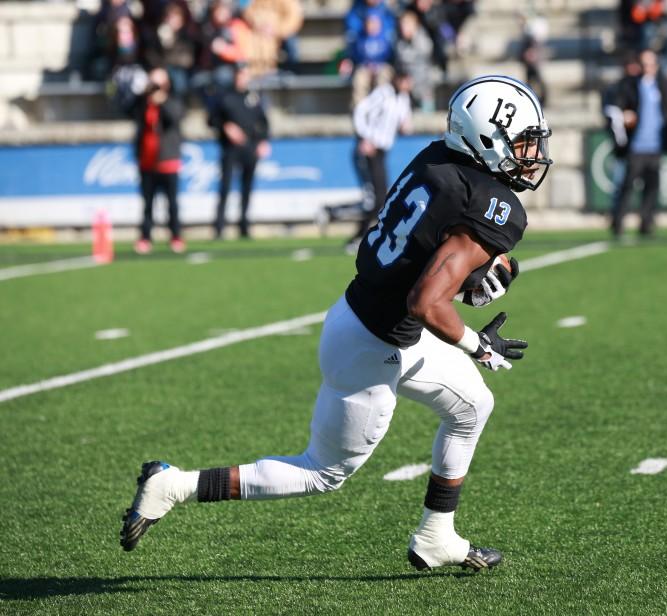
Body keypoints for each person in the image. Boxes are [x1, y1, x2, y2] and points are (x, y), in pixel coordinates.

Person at [119, 75, 553, 573]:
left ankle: (437, 535)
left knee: (473, 405)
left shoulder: (437, 159)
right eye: (523, 142)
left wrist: (468, 284)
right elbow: (426, 302)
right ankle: (172, 485)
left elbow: (421, 263)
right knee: (322, 473)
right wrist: (478, 343)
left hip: (367, 320)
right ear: (487, 140)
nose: (531, 155)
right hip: (374, 346)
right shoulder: (493, 205)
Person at [607, 49, 667, 238]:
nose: (648, 68)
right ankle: (618, 222)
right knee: (627, 186)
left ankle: (646, 223)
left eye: (651, 64)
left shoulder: (661, 85)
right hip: (636, 145)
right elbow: (617, 108)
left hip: (655, 145)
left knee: (652, 187)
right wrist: (625, 116)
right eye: (644, 64)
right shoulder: (630, 85)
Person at [347, 69, 414, 253]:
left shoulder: (403, 98)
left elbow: (404, 122)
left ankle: (365, 235)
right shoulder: (383, 93)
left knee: (381, 197)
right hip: (370, 149)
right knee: (375, 198)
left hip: (382, 151)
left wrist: (405, 125)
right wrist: (364, 137)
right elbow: (360, 111)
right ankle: (358, 236)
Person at [132, 67, 186, 255]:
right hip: (147, 161)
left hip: (167, 160)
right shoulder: (143, 103)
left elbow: (175, 118)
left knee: (172, 203)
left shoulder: (172, 101)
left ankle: (176, 236)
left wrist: (162, 102)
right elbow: (130, 112)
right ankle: (145, 237)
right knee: (147, 204)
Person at [214, 64, 270, 239]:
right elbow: (211, 119)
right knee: (226, 187)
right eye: (240, 75)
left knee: (247, 188)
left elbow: (264, 123)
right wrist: (226, 127)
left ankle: (244, 225)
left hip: (250, 148)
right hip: (230, 149)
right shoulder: (225, 96)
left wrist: (262, 141)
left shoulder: (253, 97)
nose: (242, 78)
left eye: (245, 75)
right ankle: (220, 226)